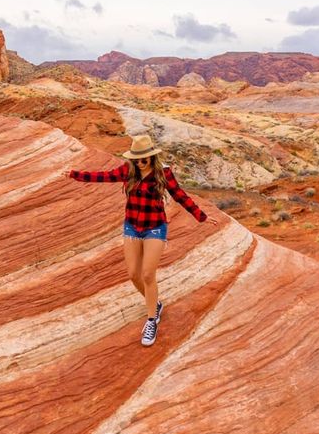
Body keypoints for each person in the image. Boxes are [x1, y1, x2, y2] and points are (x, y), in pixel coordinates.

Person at [66, 133, 214, 346]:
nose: (140, 162)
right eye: (136, 159)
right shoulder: (128, 171)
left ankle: (152, 319)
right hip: (132, 227)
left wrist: (201, 217)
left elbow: (180, 195)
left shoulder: (163, 174)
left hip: (155, 228)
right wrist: (74, 174)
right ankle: (156, 304)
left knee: (147, 274)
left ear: (152, 157)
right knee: (133, 274)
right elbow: (103, 177)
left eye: (144, 159)